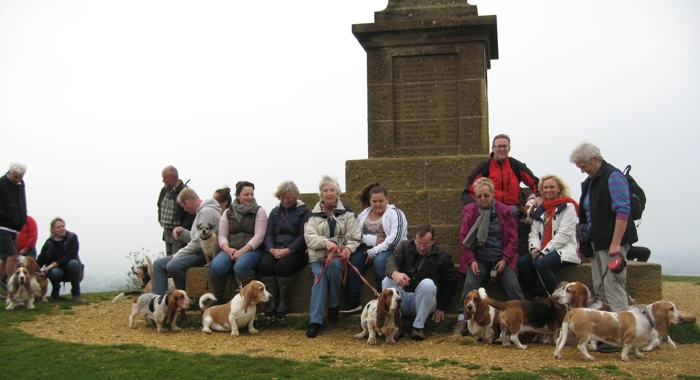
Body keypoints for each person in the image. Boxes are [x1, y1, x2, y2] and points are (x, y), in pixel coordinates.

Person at [570, 142, 637, 311]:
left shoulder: (613, 176)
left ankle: (621, 328)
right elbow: (588, 215)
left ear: (594, 159)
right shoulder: (592, 181)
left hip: (611, 242)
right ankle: (607, 329)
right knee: (600, 286)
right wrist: (582, 242)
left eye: (583, 166)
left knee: (613, 286)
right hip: (596, 242)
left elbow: (623, 210)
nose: (582, 171)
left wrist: (616, 242)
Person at [454, 177, 524, 336]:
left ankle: (523, 322)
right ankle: (462, 320)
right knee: (470, 283)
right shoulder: (471, 212)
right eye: (479, 196)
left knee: (514, 286)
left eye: (486, 195)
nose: (482, 199)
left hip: (502, 258)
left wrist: (505, 259)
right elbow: (464, 240)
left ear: (493, 194)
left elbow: (513, 240)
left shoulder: (505, 212)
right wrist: (471, 260)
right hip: (479, 258)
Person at [304, 175, 361, 338]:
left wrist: (348, 250)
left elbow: (355, 235)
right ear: (321, 194)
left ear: (337, 193)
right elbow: (309, 237)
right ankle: (315, 321)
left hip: (338, 257)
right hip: (318, 257)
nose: (329, 193)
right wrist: (325, 243)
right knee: (320, 278)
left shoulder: (348, 213)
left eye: (332, 190)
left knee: (335, 267)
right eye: (325, 190)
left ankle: (334, 305)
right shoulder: (312, 216)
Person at [382, 224, 458, 340]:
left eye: (426, 244)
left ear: (433, 241)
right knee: (387, 280)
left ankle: (418, 327)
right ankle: (396, 326)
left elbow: (451, 281)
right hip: (401, 298)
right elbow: (391, 260)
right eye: (419, 243)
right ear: (414, 239)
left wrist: (442, 306)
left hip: (424, 301)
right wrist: (395, 273)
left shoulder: (443, 255)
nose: (422, 247)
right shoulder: (404, 246)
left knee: (428, 283)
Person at [341, 182, 408, 314]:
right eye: (374, 201)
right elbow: (354, 233)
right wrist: (371, 240)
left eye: (381, 201)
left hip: (390, 250)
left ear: (387, 199)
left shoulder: (396, 214)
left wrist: (373, 252)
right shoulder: (363, 214)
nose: (378, 204)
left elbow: (395, 240)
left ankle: (382, 299)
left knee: (380, 262)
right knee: (354, 261)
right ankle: (352, 301)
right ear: (370, 201)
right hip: (366, 249)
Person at [517, 175, 580, 299]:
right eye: (545, 188)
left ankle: (557, 299)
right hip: (542, 248)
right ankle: (538, 296)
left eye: (552, 187)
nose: (548, 190)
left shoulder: (568, 207)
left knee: (542, 264)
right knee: (522, 263)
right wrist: (534, 248)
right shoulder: (540, 210)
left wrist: (544, 252)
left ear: (559, 189)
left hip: (563, 248)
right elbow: (534, 234)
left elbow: (563, 235)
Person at [152, 188, 221, 295]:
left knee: (173, 265)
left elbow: (199, 243)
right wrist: (183, 233)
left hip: (205, 253)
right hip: (199, 250)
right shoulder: (202, 212)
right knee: (158, 264)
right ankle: (158, 301)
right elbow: (197, 238)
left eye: (183, 206)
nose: (184, 210)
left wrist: (178, 255)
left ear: (187, 202)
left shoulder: (206, 212)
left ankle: (182, 299)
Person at [208, 181, 268, 302]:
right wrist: (227, 249)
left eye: (252, 194)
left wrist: (242, 251)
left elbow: (259, 236)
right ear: (238, 195)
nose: (250, 197)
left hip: (253, 250)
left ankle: (251, 299)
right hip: (231, 249)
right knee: (216, 267)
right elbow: (222, 236)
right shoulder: (227, 213)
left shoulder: (259, 211)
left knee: (241, 266)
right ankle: (217, 299)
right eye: (246, 194)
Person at [260, 180, 310, 317]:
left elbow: (303, 236)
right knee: (265, 264)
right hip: (275, 247)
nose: (285, 200)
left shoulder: (303, 212)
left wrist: (288, 250)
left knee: (283, 266)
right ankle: (271, 300)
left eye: (288, 198)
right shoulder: (275, 212)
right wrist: (271, 249)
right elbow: (269, 233)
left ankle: (283, 301)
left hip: (294, 250)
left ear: (295, 197)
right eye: (283, 197)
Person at [461, 134, 541, 217]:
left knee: (511, 212)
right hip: (489, 205)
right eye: (499, 146)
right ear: (493, 148)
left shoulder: (515, 165)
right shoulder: (484, 167)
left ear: (509, 149)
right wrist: (477, 205)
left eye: (505, 146)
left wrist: (539, 196)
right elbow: (468, 192)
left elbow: (534, 182)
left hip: (511, 206)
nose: (502, 149)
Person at [37, 218, 83, 302]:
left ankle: (76, 294)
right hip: (57, 270)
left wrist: (52, 265)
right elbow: (41, 258)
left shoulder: (72, 237)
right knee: (55, 273)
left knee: (74, 263)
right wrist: (33, 270)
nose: (62, 228)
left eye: (63, 226)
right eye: (58, 227)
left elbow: (71, 255)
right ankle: (55, 290)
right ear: (52, 230)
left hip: (70, 268)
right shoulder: (49, 243)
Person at [0, 162, 27, 286]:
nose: (18, 180)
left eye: (20, 177)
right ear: (9, 173)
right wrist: (9, 216)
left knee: (5, 259)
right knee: (12, 255)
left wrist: (22, 217)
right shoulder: (1, 184)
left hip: (14, 228)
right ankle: (12, 286)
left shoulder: (20, 185)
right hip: (3, 226)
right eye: (15, 177)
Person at [158, 166, 195, 256]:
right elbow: (159, 206)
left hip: (178, 233)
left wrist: (182, 229)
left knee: (175, 260)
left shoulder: (185, 192)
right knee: (167, 259)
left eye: (165, 178)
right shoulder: (164, 191)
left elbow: (191, 214)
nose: (163, 180)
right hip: (166, 232)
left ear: (172, 177)